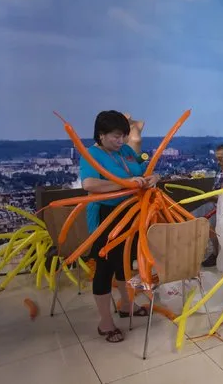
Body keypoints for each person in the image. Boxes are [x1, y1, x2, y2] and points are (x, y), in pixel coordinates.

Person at [80, 111, 160, 343]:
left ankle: (127, 305)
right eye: (116, 136)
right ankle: (105, 322)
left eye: (123, 136)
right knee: (104, 269)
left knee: (124, 263)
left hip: (131, 215)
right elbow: (89, 184)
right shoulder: (91, 154)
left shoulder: (124, 151)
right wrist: (123, 184)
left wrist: (152, 176)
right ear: (101, 135)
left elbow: (142, 169)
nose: (121, 141)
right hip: (107, 216)